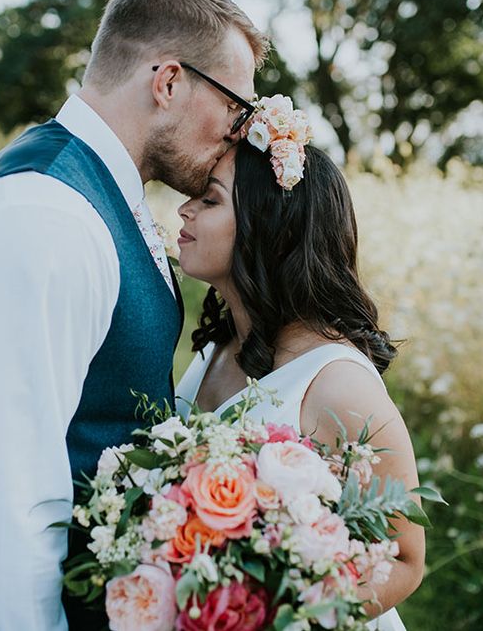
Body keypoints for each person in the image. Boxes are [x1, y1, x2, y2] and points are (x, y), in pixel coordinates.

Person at [0, 0, 268, 630]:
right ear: (168, 81)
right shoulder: (41, 214)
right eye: (236, 104)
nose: (239, 130)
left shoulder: (103, 196)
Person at [175, 106, 426, 629]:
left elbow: (404, 558)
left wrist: (282, 618)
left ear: (267, 228)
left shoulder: (338, 385)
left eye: (209, 199)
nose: (183, 210)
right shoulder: (212, 353)